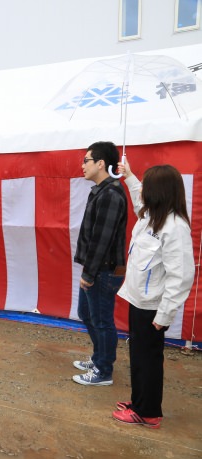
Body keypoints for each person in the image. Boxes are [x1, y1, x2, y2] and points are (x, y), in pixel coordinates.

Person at [111, 161, 194, 429]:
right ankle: (139, 402)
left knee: (148, 359)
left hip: (153, 308)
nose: (143, 190)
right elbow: (138, 200)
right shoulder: (151, 216)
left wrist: (165, 314)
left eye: (147, 186)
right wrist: (130, 176)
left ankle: (148, 412)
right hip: (139, 300)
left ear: (159, 191)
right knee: (138, 355)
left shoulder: (175, 227)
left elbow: (180, 276)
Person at [72, 141, 128, 386]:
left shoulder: (111, 194)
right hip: (96, 268)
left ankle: (104, 370)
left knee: (102, 319)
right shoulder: (100, 191)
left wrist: (89, 273)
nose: (82, 165)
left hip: (104, 270)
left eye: (86, 160)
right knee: (86, 313)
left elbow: (101, 240)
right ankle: (100, 358)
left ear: (101, 163)